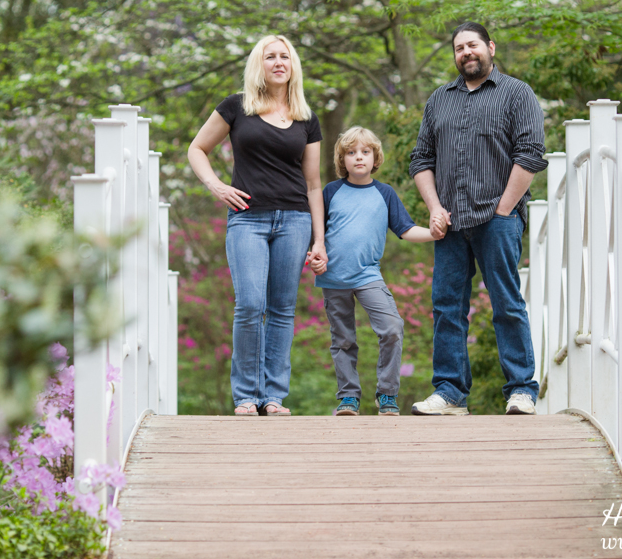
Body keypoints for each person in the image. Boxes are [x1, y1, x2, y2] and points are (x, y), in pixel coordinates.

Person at [408, 22, 548, 416]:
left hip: (497, 219)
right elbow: (422, 159)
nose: (466, 53)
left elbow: (531, 153)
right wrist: (435, 208)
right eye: (458, 48)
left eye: (472, 45)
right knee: (446, 306)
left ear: (490, 46)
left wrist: (503, 209)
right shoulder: (439, 100)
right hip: (450, 222)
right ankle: (450, 393)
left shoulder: (517, 93)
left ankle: (521, 389)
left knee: (506, 304)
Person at [187, 34, 326, 417]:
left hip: (295, 220)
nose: (279, 62)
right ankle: (246, 395)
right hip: (247, 218)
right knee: (250, 304)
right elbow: (196, 149)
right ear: (258, 64)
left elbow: (314, 184)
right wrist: (216, 185)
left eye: (285, 56)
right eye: (270, 56)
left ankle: (273, 397)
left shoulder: (305, 118)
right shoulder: (236, 107)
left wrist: (320, 239)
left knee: (282, 309)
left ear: (293, 65)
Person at [310, 126, 442, 416]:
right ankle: (348, 398)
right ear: (341, 160)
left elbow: (406, 230)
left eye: (365, 152)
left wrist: (435, 233)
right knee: (343, 340)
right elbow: (315, 238)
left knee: (392, 328)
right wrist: (315, 259)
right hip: (333, 279)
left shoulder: (385, 193)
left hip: (368, 276)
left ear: (375, 157)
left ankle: (387, 394)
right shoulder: (331, 192)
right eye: (351, 153)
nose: (359, 158)